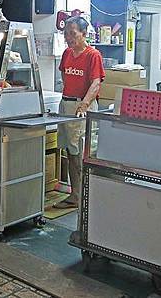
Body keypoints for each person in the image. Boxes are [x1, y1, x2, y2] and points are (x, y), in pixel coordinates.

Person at [54, 16, 105, 209]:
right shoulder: (67, 53)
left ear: (83, 34)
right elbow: (63, 74)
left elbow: (96, 83)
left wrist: (83, 104)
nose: (68, 37)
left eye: (72, 33)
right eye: (66, 33)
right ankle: (76, 194)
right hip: (66, 105)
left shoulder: (93, 55)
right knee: (69, 150)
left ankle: (85, 197)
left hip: (81, 108)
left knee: (81, 153)